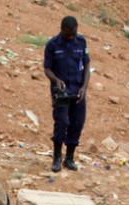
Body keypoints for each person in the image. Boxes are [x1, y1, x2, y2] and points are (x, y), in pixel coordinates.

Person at [44, 16, 90, 172]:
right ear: (62, 29)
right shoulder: (52, 45)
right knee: (62, 122)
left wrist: (84, 86)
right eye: (67, 33)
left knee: (77, 123)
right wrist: (55, 80)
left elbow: (86, 64)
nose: (70, 36)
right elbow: (47, 68)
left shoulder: (81, 42)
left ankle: (69, 158)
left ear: (77, 28)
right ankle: (57, 157)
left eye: (73, 32)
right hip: (61, 91)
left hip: (77, 90)